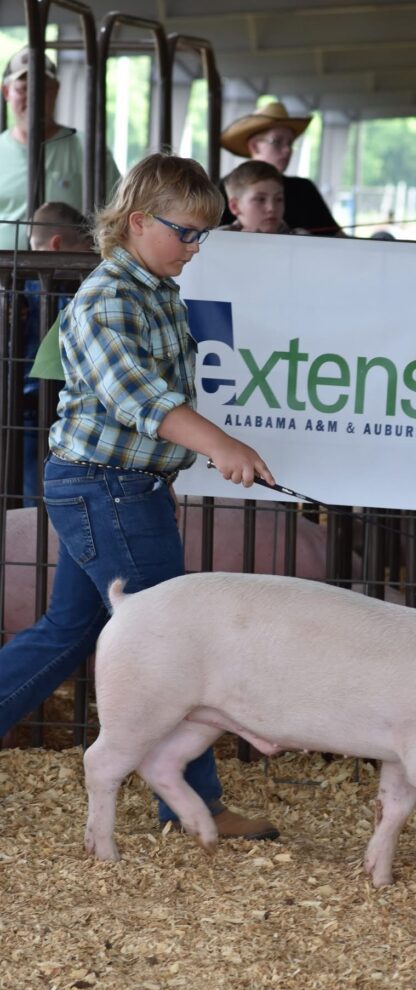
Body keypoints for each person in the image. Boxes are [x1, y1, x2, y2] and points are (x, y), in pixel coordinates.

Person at [0, 152, 280, 843]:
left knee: (67, 633)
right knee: (173, 647)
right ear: (136, 222)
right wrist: (219, 445)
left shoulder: (153, 289)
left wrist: (179, 463)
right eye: (185, 231)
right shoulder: (107, 299)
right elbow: (139, 399)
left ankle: (185, 803)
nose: (194, 246)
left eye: (203, 234)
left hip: (119, 487)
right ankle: (192, 809)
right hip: (107, 489)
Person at [0, 45, 120, 250]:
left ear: (56, 90)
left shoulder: (89, 150)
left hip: (72, 277)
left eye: (42, 88)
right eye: (23, 88)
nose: (33, 97)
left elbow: (118, 216)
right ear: (6, 92)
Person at [21, 201, 94, 505]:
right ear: (57, 245)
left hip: (24, 402)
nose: (92, 259)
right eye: (86, 248)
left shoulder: (16, 288)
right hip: (63, 404)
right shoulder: (75, 288)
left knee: (29, 490)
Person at [220, 101, 344, 236]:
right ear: (254, 146)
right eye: (277, 142)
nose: (287, 150)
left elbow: (337, 237)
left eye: (290, 143)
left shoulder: (304, 189)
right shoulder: (222, 189)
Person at [220, 159, 294, 234]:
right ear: (235, 206)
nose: (272, 208)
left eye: (279, 199)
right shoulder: (216, 240)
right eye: (260, 199)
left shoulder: (303, 239)